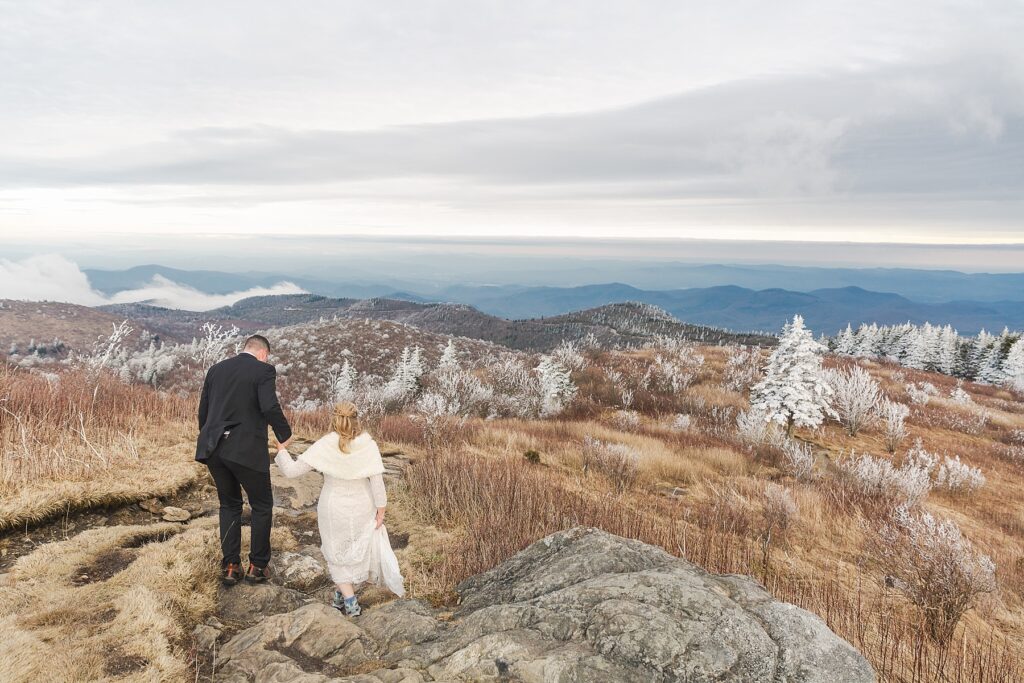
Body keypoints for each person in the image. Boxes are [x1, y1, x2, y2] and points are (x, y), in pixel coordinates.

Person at [274, 401, 404, 616]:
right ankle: (340, 595)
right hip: (363, 503)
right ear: (356, 419)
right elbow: (377, 481)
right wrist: (381, 509)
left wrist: (281, 450)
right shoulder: (368, 444)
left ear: (333, 419)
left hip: (333, 505)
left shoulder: (326, 444)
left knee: (336, 551)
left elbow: (291, 471)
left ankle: (350, 602)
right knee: (354, 549)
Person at [196, 334, 292, 586]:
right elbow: (269, 406)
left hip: (214, 447)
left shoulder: (216, 370)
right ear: (263, 353)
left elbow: (203, 411)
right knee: (261, 505)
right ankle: (257, 566)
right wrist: (285, 434)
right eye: (267, 357)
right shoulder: (264, 370)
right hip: (246, 449)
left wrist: (208, 439)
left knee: (229, 505)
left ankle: (230, 566)